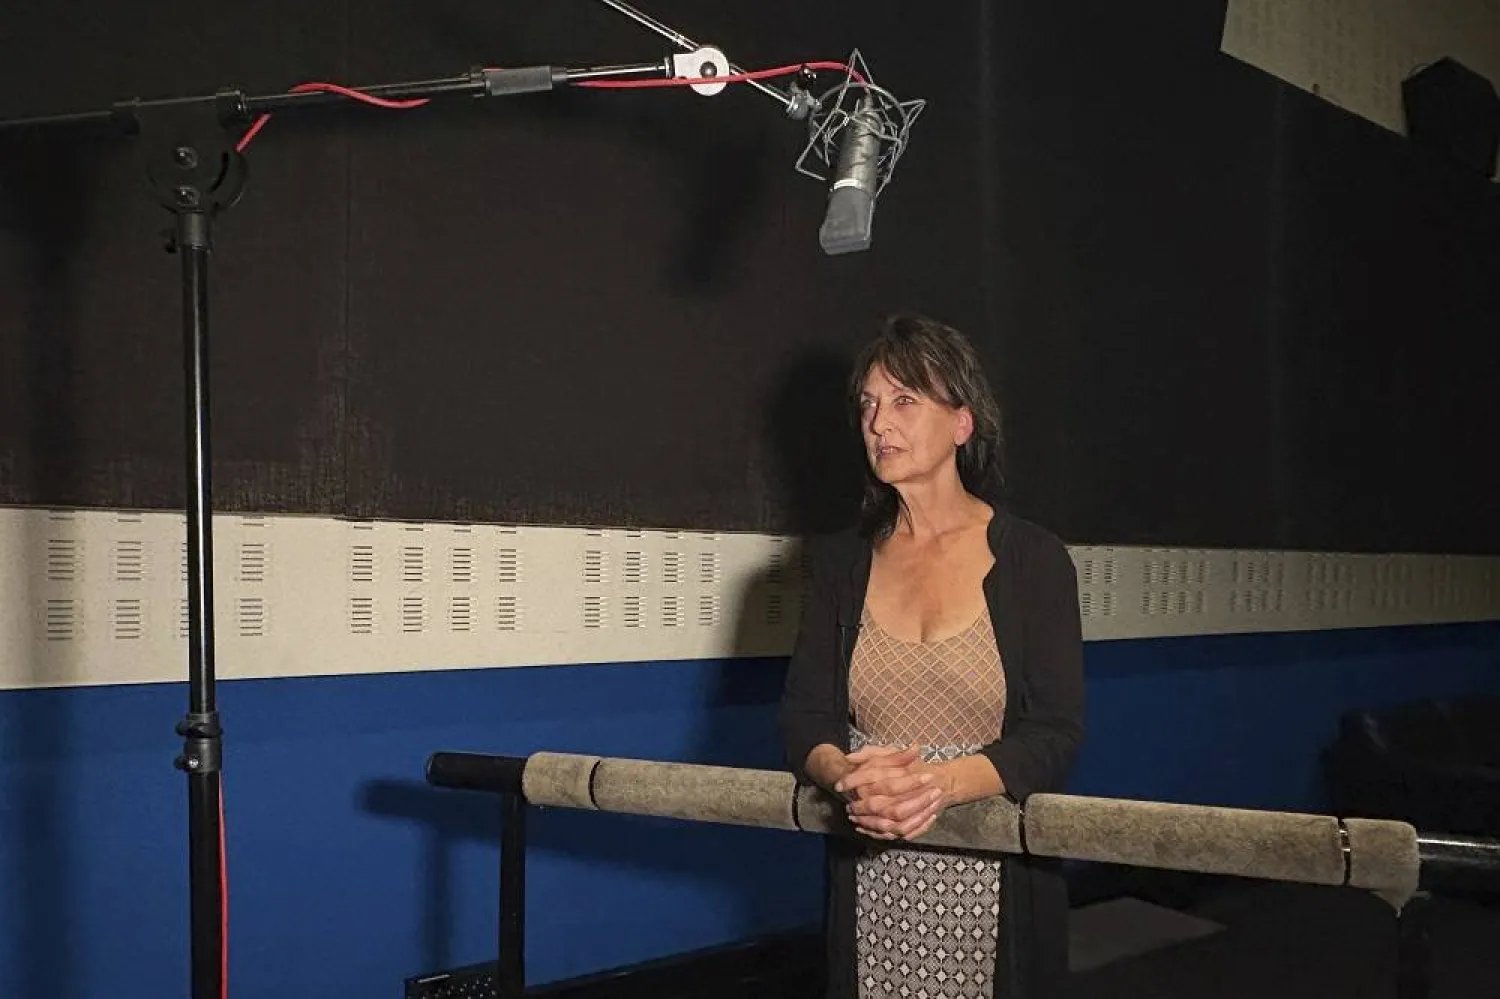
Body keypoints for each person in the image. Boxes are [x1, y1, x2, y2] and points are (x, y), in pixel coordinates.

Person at [779, 313, 1086, 999]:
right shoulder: (839, 564)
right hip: (872, 877)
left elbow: (1056, 732)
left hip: (994, 878)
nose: (878, 422)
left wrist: (934, 787)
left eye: (904, 401)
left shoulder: (1034, 561)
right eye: (868, 405)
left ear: (962, 423)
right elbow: (806, 717)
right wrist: (847, 776)